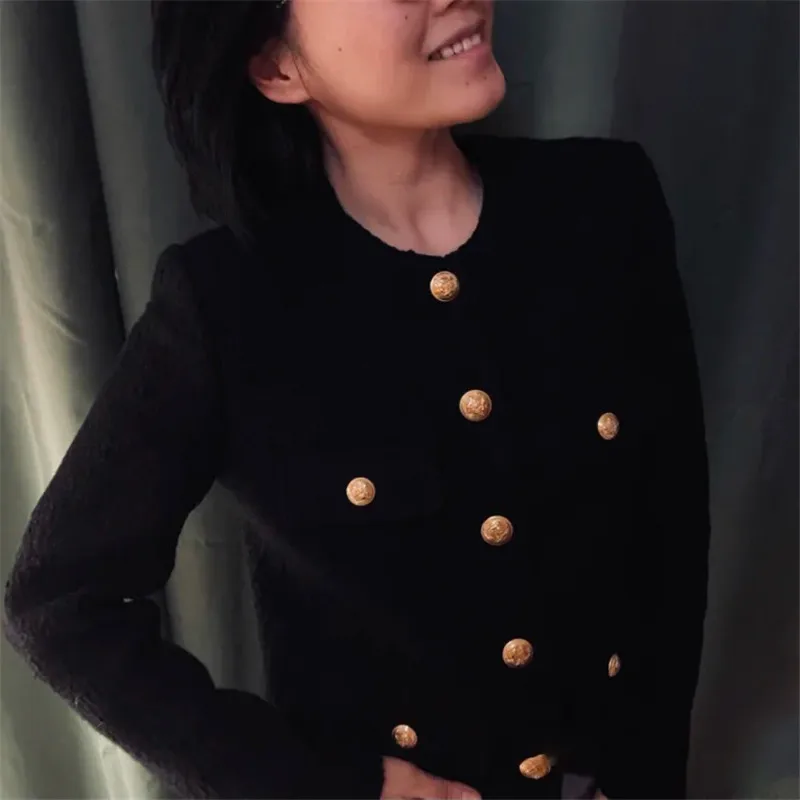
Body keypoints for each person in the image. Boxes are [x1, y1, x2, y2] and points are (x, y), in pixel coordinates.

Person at [2, 0, 711, 798]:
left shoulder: (604, 206)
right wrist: (325, 787)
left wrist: (646, 781)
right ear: (278, 68)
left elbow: (672, 526)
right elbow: (58, 604)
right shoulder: (228, 303)